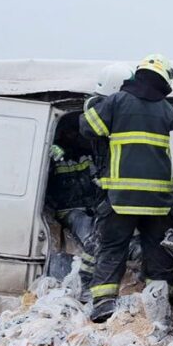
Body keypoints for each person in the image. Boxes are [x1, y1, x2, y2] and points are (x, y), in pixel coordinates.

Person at [81, 54, 173, 322]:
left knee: (113, 247)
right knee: (157, 251)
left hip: (121, 198)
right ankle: (157, 308)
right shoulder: (170, 112)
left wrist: (95, 104)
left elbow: (88, 128)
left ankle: (103, 303)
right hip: (158, 202)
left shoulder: (117, 101)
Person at [45, 116, 103, 296]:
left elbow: (96, 180)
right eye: (70, 132)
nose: (74, 136)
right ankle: (87, 283)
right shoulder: (53, 153)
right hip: (68, 210)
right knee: (88, 232)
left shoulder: (86, 155)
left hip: (90, 206)